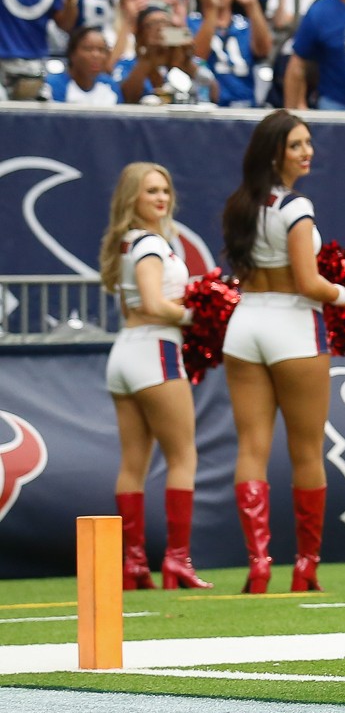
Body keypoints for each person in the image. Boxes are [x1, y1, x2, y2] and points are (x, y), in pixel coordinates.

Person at [221, 112, 345, 593]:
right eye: (297, 144)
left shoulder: (242, 204)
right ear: (274, 151)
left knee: (251, 448)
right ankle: (305, 567)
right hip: (293, 327)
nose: (308, 151)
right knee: (306, 450)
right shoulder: (296, 207)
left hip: (244, 325)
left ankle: (259, 566)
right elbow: (308, 281)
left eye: (308, 142)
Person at [99, 162, 209, 591]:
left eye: (164, 190)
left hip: (124, 354)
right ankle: (177, 561)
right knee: (183, 457)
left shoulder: (126, 243)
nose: (161, 198)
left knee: (134, 463)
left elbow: (133, 308)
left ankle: (133, 562)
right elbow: (151, 303)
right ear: (132, 198)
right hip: (155, 352)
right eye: (150, 192)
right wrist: (199, 315)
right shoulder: (148, 244)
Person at [190, 0, 270, 108]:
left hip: (245, 105)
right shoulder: (192, 22)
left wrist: (252, 4)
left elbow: (264, 50)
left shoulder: (245, 24)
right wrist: (211, 10)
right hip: (206, 105)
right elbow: (197, 57)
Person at [48, 26, 118, 105]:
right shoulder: (52, 85)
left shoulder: (110, 86)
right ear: (72, 54)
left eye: (101, 50)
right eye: (88, 49)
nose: (96, 55)